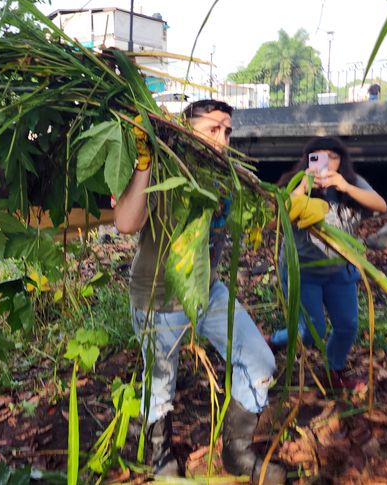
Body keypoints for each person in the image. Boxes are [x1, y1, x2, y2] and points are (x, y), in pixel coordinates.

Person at [115, 99, 325, 483]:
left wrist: (289, 204)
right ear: (184, 128)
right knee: (160, 379)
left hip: (207, 291)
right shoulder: (163, 171)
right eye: (213, 129)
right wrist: (144, 163)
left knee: (261, 361)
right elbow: (126, 223)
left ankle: (237, 452)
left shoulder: (227, 175)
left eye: (227, 131)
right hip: (157, 297)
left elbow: (258, 208)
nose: (223, 138)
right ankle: (161, 454)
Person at [269, 137, 387, 391]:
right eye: (318, 157)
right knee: (311, 331)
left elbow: (381, 205)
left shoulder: (352, 182)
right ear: (308, 160)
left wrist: (345, 187)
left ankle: (333, 370)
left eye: (332, 157)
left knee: (347, 326)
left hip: (340, 271)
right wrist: (301, 188)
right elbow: (273, 219)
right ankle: (277, 340)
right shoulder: (295, 182)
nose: (326, 163)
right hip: (303, 270)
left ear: (342, 161)